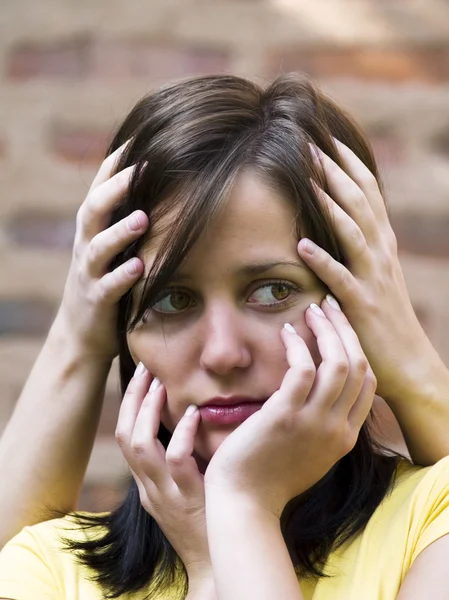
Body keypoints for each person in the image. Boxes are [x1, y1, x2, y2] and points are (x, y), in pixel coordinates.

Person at [0, 73, 449, 600]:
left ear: (358, 302)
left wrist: (241, 507)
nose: (223, 353)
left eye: (273, 289)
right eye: (170, 300)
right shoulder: (48, 569)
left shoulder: (431, 522)